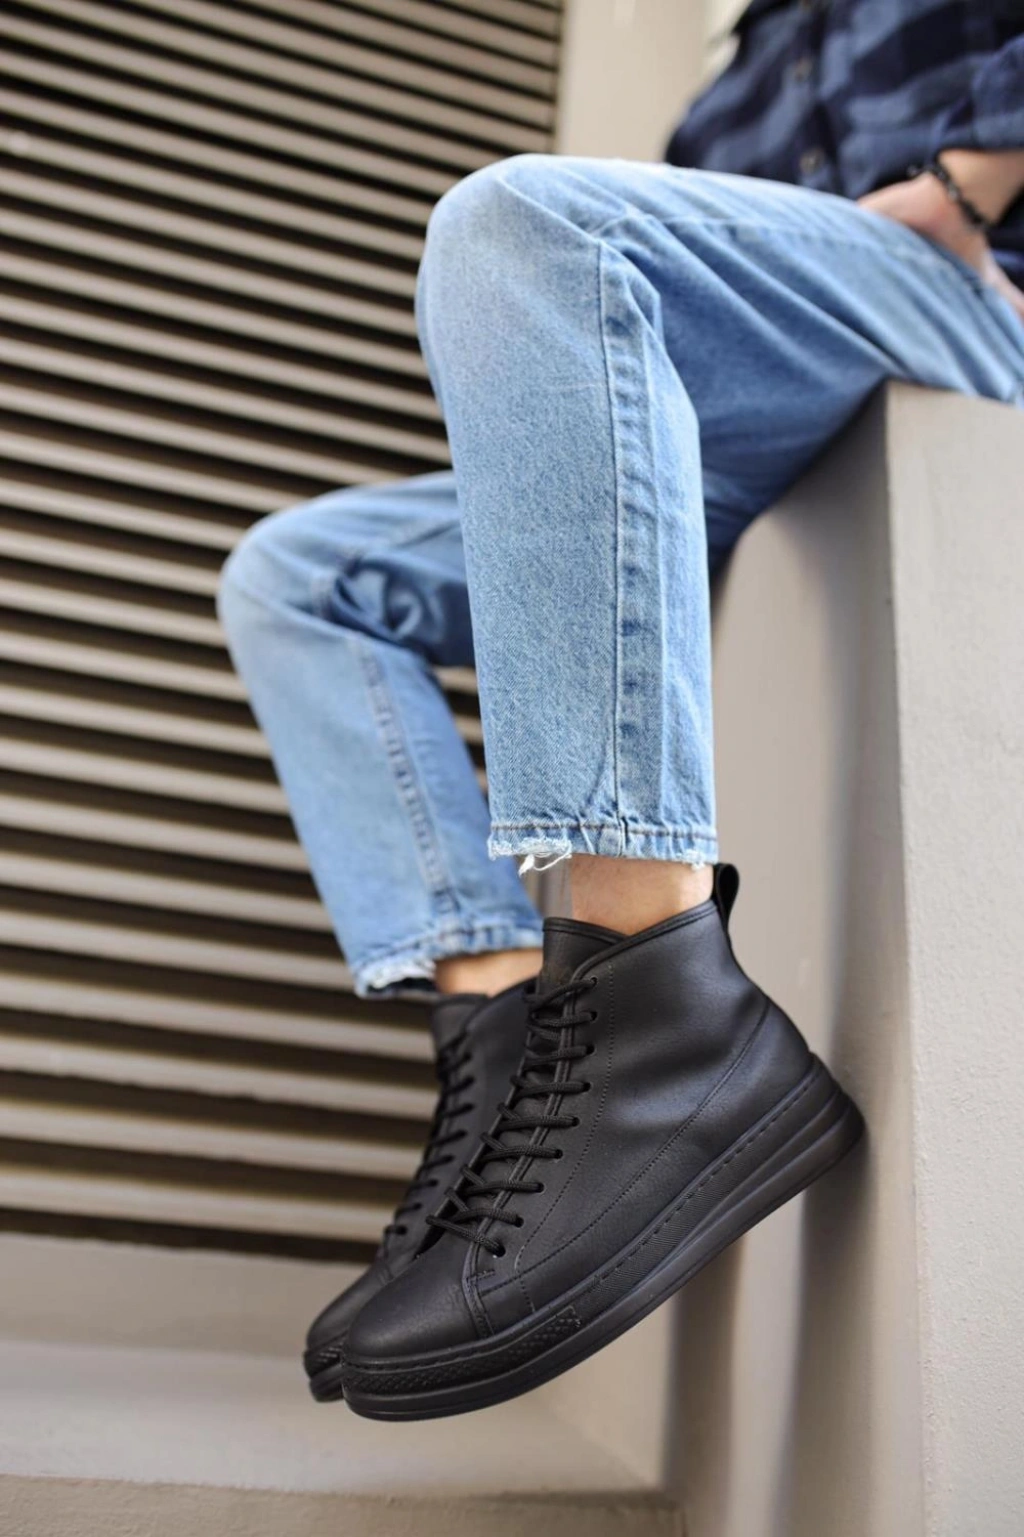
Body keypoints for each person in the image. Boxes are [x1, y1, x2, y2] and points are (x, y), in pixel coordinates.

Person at [219, 0, 1024, 1417]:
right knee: (294, 578)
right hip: (789, 386)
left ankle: (655, 985)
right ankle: (505, 1028)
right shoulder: (736, 78)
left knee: (525, 221)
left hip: (972, 296)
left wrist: (972, 182)